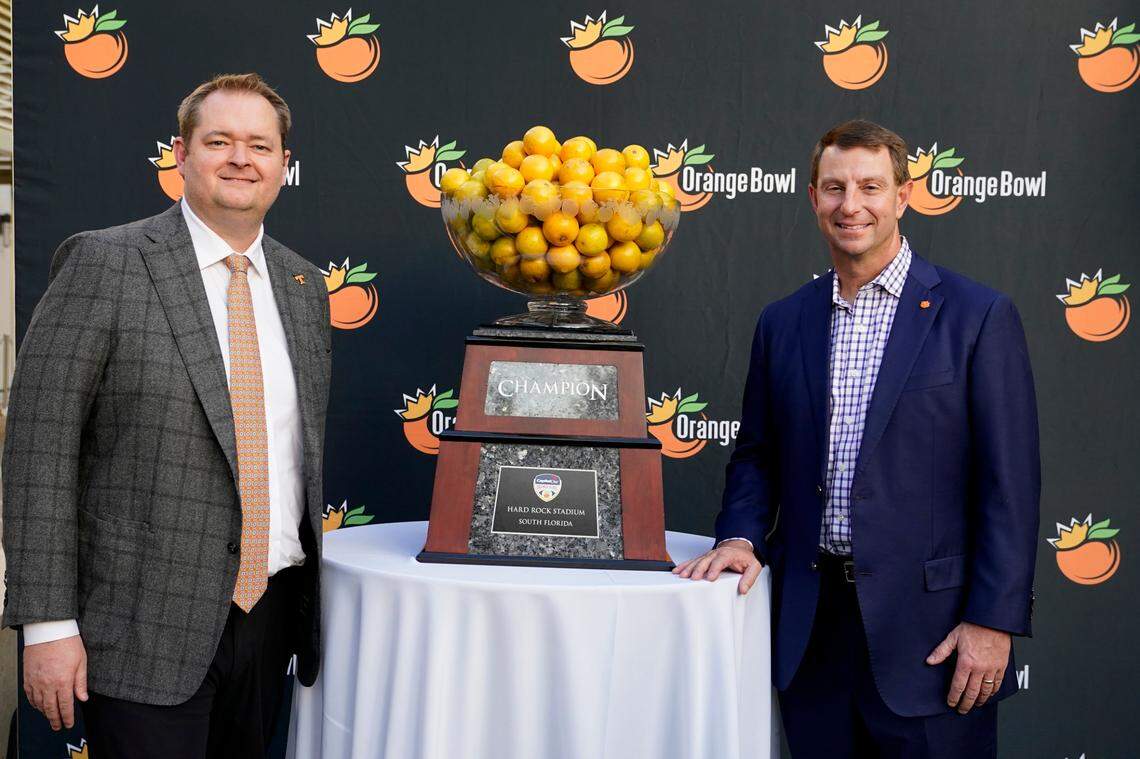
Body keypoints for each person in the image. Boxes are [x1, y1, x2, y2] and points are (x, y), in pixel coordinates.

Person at [675, 119, 1039, 758]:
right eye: (835, 187)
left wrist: (993, 620)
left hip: (935, 642)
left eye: (871, 186)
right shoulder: (783, 322)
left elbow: (1009, 482)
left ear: (902, 197)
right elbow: (757, 453)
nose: (852, 205)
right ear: (812, 198)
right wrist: (738, 536)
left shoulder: (977, 316)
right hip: (810, 632)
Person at [2, 73, 331, 758]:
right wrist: (46, 624)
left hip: (270, 620)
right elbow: (39, 448)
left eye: (260, 145)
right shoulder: (106, 263)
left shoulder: (305, 287)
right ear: (181, 155)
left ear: (282, 165)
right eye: (219, 141)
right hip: (141, 625)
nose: (241, 158)